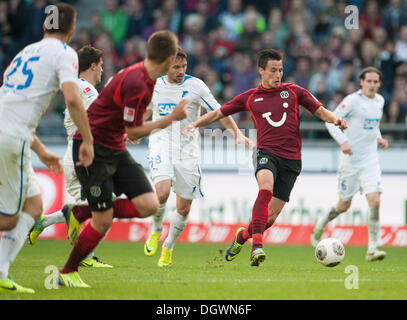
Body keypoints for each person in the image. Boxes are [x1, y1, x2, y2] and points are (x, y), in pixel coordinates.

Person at [182, 49, 347, 267]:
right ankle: (257, 247)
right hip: (266, 153)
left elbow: (320, 110)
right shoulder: (250, 97)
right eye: (272, 70)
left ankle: (242, 236)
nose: (277, 74)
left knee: (269, 218)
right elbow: (219, 113)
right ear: (261, 70)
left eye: (280, 70)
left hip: (292, 160)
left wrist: (335, 118)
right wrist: (194, 123)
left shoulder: (295, 91)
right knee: (265, 188)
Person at [58, 30, 188, 288]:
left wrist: (143, 124)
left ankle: (80, 212)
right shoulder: (137, 82)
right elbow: (133, 130)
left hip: (115, 148)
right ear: (169, 58)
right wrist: (169, 119)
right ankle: (67, 271)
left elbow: (130, 125)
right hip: (91, 147)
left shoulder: (144, 77)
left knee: (150, 205)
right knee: (103, 220)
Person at [0, 3, 94, 293]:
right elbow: (74, 100)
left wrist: (40, 150)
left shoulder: (24, 52)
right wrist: (88, 140)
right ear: (71, 29)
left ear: (44, 26)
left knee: (34, 206)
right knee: (10, 218)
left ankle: (2, 271)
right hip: (11, 137)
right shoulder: (65, 54)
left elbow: (11, 103)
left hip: (13, 133)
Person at [142, 47, 252, 267]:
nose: (181, 71)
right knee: (162, 193)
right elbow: (144, 110)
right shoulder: (153, 84)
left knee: (183, 208)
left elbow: (220, 111)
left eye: (183, 66)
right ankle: (155, 230)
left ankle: (168, 246)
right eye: (176, 67)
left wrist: (237, 134)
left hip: (187, 151)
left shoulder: (196, 86)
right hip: (160, 143)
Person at [28, 44, 112, 268]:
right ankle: (84, 258)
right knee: (100, 211)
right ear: (92, 66)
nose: (102, 71)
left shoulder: (74, 87)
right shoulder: (90, 93)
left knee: (88, 208)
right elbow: (99, 124)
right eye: (101, 66)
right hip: (83, 157)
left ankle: (43, 221)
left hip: (71, 154)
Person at [310, 67, 388, 262]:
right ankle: (321, 223)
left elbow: (372, 125)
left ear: (379, 84)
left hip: (370, 160)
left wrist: (378, 138)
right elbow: (330, 121)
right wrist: (343, 141)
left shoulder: (380, 101)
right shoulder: (352, 101)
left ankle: (372, 248)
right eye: (368, 81)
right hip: (350, 162)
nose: (372, 85)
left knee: (375, 201)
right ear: (361, 82)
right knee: (343, 205)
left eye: (375, 82)